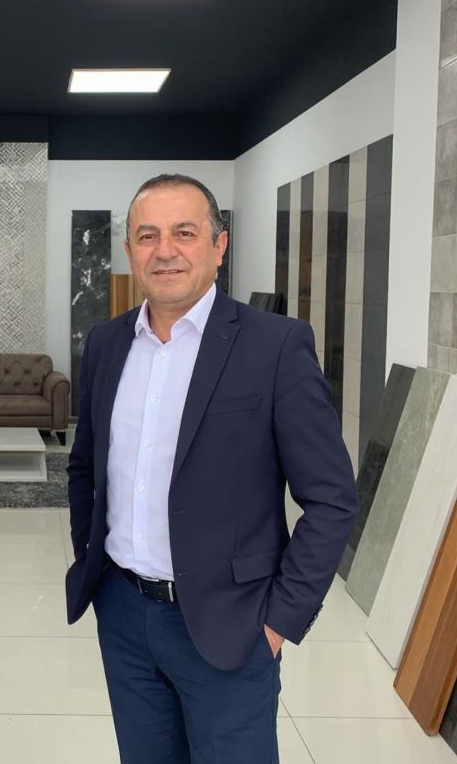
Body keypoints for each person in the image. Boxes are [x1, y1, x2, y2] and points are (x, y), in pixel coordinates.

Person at [65, 174, 358, 762]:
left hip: (232, 626)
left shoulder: (275, 345)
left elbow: (332, 499)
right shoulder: (106, 343)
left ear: (219, 245)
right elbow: (85, 471)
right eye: (147, 235)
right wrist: (97, 573)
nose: (164, 251)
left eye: (184, 233)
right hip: (124, 618)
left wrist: (278, 621)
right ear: (129, 250)